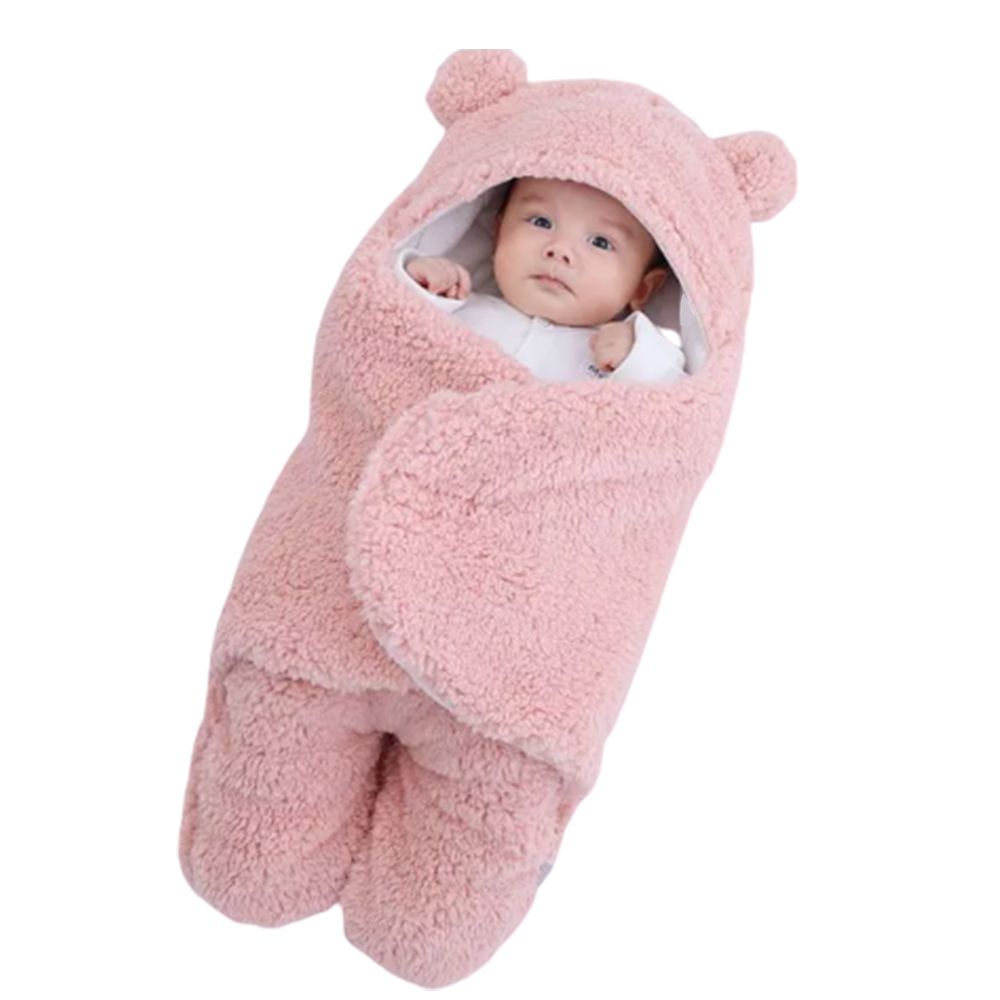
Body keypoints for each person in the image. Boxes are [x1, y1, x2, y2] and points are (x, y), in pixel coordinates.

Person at [395, 176, 688, 383]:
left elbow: (675, 413)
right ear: (499, 235)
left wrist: (639, 359)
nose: (560, 251)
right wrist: (421, 280)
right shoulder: (456, 305)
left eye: (600, 242)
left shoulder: (626, 359)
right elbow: (391, 325)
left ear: (642, 288)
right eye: (541, 222)